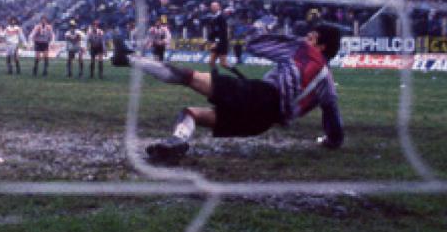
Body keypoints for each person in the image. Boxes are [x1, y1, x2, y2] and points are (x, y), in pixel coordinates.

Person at [137, 21, 344, 162]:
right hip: (262, 124)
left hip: (261, 95)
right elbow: (333, 118)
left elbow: (255, 45)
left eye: (311, 37)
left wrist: (259, 29)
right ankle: (175, 145)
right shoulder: (329, 84)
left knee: (189, 77)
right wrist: (332, 141)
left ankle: (131, 60)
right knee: (193, 113)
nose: (305, 38)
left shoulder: (303, 50)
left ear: (321, 46)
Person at [205, 1, 232, 72]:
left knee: (223, 64)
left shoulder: (222, 17)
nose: (213, 8)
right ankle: (216, 76)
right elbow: (214, 31)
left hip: (222, 42)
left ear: (219, 7)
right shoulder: (214, 17)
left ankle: (238, 74)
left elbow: (223, 32)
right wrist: (209, 39)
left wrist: (216, 42)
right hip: (217, 42)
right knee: (211, 62)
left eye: (214, 6)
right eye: (212, 6)